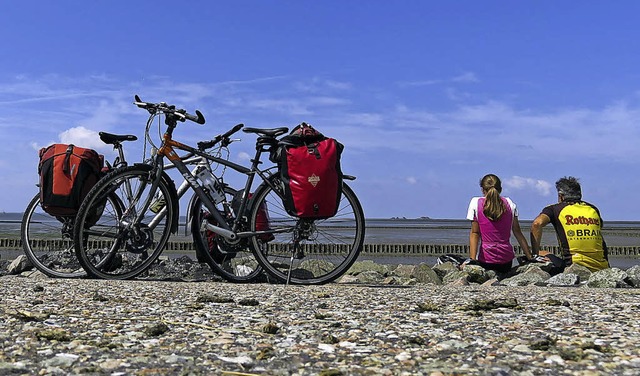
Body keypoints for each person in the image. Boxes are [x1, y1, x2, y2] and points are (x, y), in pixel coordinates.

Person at [530, 176, 609, 272]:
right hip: (602, 267)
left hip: (574, 267)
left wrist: (535, 255)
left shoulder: (555, 209)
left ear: (561, 196)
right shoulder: (593, 209)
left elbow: (537, 224)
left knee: (541, 253)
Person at [466, 174, 533, 274]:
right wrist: (529, 257)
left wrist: (472, 260)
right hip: (506, 261)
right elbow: (517, 232)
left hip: (486, 260)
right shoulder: (510, 203)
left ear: (482, 189)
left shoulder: (475, 202)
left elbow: (475, 233)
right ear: (500, 189)